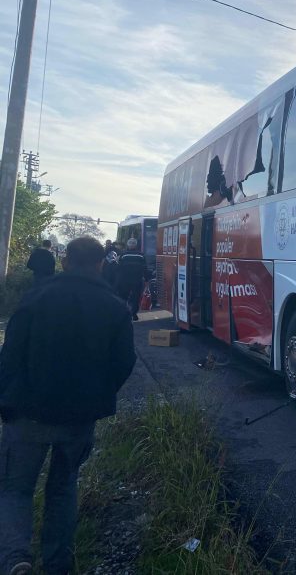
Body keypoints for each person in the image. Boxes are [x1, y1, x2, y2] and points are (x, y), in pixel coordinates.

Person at [0, 236, 136, 575]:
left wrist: (7, 401)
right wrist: (97, 397)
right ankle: (58, 563)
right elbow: (124, 362)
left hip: (27, 413)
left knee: (15, 489)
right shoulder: (115, 306)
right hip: (78, 418)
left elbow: (10, 355)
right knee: (62, 488)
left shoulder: (35, 297)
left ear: (64, 261)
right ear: (101, 264)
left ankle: (16, 558)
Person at [116, 238, 150, 321]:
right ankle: (134, 313)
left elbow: (118, 268)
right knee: (136, 297)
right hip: (137, 280)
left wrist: (117, 280)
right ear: (136, 245)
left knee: (123, 297)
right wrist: (146, 279)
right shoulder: (141, 255)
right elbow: (145, 268)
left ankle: (123, 313)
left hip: (124, 280)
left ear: (128, 245)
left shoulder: (123, 255)